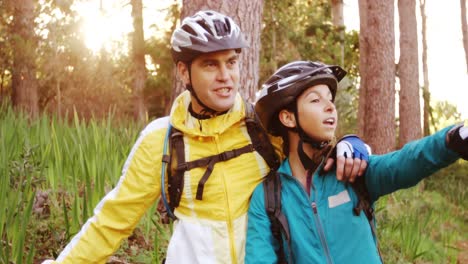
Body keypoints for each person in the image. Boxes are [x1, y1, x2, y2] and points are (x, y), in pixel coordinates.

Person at [43, 11, 370, 264]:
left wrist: (353, 144)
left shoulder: (262, 126)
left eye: (231, 62)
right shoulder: (162, 140)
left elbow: (320, 154)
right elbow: (113, 220)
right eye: (210, 65)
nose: (225, 76)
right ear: (184, 72)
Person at [245, 60, 468, 264]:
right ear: (288, 118)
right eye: (315, 100)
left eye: (330, 100)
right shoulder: (267, 197)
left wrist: (451, 140)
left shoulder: (351, 169)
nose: (330, 107)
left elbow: (403, 163)